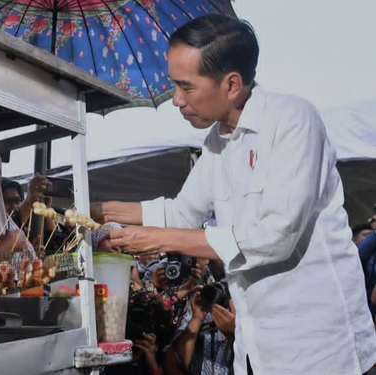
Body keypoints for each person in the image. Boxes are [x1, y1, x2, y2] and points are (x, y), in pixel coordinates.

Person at [92, 14, 376, 375]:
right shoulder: (215, 143)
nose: (177, 100)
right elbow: (181, 212)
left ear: (231, 84)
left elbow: (276, 237)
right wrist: (99, 209)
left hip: (318, 348)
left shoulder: (292, 121)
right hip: (257, 348)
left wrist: (159, 238)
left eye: (186, 86)